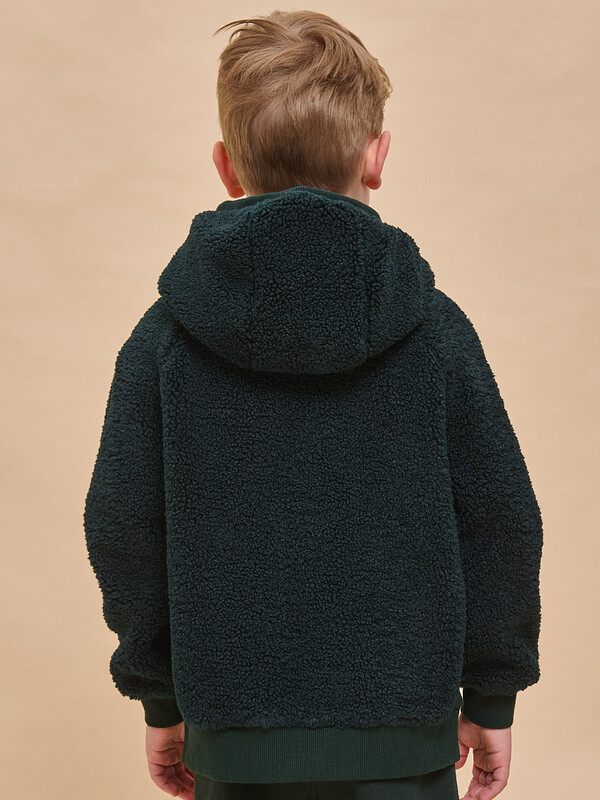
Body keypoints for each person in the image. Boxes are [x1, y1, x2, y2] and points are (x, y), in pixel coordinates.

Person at [83, 10, 543, 800]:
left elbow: (123, 527)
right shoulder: (434, 330)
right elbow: (501, 518)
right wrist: (492, 695)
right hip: (406, 739)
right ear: (377, 156)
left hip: (233, 740)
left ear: (227, 168)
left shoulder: (166, 339)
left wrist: (161, 699)